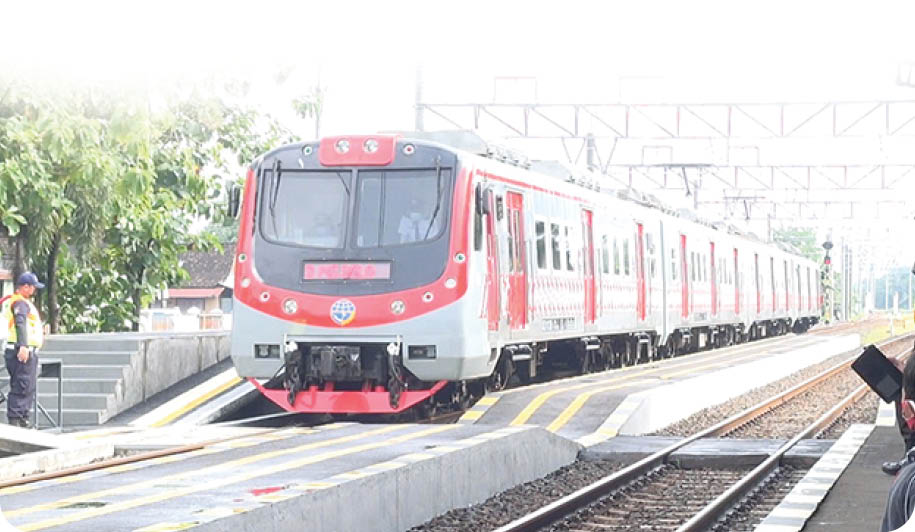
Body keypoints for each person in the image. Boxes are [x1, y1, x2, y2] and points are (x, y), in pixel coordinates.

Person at [2, 272, 45, 428]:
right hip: (21, 350)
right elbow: (20, 324)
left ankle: (22, 420)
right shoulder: (19, 303)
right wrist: (23, 346)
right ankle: (16, 422)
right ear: (25, 287)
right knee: (22, 386)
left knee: (26, 386)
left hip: (23, 349)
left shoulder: (20, 302)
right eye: (33, 287)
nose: (34, 290)